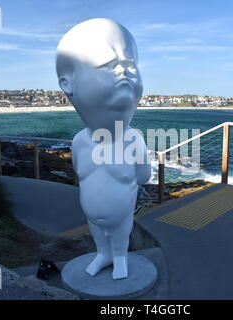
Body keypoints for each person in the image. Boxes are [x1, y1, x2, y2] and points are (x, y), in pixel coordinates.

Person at [56, 18, 151, 280]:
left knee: (121, 231)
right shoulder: (79, 141)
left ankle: (119, 257)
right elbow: (81, 173)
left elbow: (144, 177)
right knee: (98, 231)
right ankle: (103, 254)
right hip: (92, 216)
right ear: (67, 84)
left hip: (121, 216)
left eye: (130, 64)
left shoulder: (133, 140)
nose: (124, 72)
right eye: (108, 65)